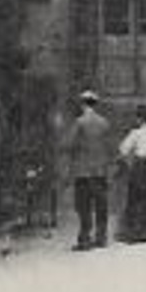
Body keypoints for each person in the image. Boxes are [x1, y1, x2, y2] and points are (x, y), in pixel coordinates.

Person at [61, 90, 113, 250]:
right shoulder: (104, 123)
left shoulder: (79, 123)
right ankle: (101, 237)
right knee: (101, 206)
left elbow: (67, 144)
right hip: (101, 171)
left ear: (83, 104)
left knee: (84, 207)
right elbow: (109, 146)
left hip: (83, 171)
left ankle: (85, 239)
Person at [117, 106, 146, 244]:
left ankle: (134, 231)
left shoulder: (135, 133)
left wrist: (126, 162)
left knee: (135, 198)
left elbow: (123, 149)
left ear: (140, 119)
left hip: (139, 167)